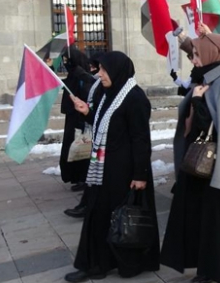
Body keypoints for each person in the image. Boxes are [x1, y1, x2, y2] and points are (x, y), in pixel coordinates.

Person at [161, 33, 220, 283]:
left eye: (195, 55)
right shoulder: (207, 76)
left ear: (211, 55)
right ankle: (206, 270)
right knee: (203, 222)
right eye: (192, 55)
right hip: (202, 167)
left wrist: (198, 102)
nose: (192, 60)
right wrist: (184, 39)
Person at [66, 52, 159, 282]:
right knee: (99, 215)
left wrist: (140, 175)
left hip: (124, 172)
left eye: (104, 70)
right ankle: (95, 264)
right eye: (99, 69)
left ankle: (119, 262)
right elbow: (103, 124)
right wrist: (87, 112)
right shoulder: (110, 94)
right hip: (104, 168)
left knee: (122, 219)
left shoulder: (134, 98)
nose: (100, 74)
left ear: (117, 71)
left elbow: (140, 139)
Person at [59, 47, 96, 218]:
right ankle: (77, 177)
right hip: (73, 118)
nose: (66, 64)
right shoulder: (74, 75)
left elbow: (87, 93)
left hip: (81, 119)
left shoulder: (82, 75)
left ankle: (83, 178)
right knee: (70, 148)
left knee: (81, 149)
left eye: (67, 60)